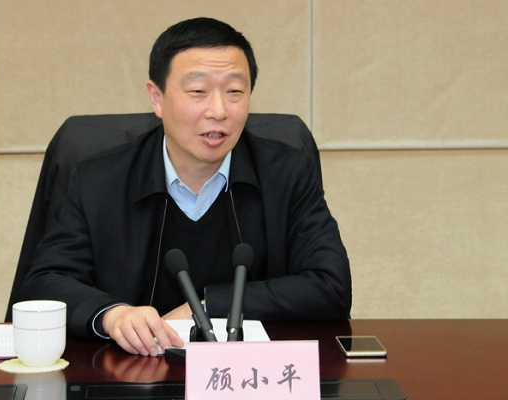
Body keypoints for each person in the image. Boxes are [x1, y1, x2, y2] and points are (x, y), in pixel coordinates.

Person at [19, 17, 351, 357]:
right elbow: (45, 283)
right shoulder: (99, 180)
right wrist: (112, 315)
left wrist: (207, 306)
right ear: (157, 97)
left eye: (235, 92)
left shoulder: (287, 174)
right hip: (132, 374)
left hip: (249, 375)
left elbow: (331, 286)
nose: (218, 111)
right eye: (198, 92)